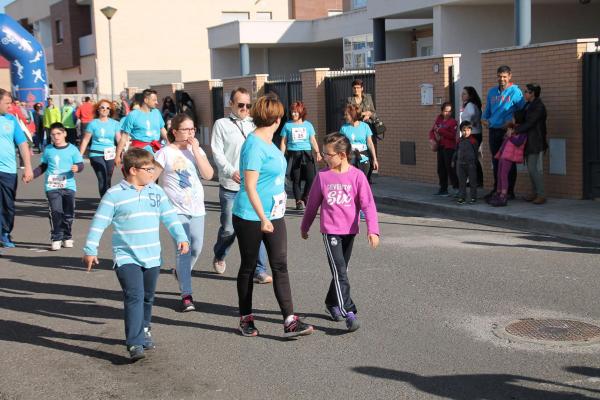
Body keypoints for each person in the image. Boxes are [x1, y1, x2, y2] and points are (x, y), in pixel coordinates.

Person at [83, 147, 190, 362]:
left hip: (152, 256)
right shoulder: (114, 195)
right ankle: (134, 342)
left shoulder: (156, 192)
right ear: (133, 170)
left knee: (148, 297)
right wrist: (90, 249)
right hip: (126, 256)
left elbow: (169, 217)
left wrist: (181, 237)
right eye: (148, 169)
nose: (153, 173)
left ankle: (145, 328)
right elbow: (99, 222)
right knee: (135, 295)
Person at [232, 94, 313, 338]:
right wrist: (262, 218)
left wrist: (272, 215)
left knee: (280, 264)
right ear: (277, 119)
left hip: (273, 214)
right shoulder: (255, 144)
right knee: (248, 266)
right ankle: (246, 318)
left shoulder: (269, 142)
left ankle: (289, 319)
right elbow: (250, 186)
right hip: (250, 215)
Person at [301, 133, 379, 332]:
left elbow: (368, 205)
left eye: (329, 154)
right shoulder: (323, 177)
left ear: (342, 155)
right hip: (331, 231)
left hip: (350, 230)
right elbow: (312, 205)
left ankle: (331, 302)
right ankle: (348, 312)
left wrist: (373, 230)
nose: (325, 158)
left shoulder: (357, 176)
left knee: (340, 270)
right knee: (340, 271)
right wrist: (305, 226)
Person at [210, 87, 272, 283]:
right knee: (229, 229)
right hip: (230, 185)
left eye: (248, 105)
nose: (245, 108)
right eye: (241, 105)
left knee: (258, 226)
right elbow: (217, 152)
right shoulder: (221, 124)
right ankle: (220, 254)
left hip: (253, 186)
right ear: (231, 104)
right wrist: (230, 171)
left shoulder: (255, 124)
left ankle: (259, 270)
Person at [155, 113, 213, 312]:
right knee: (184, 249)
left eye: (193, 129)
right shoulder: (165, 153)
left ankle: (180, 272)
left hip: (197, 209)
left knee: (196, 248)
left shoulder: (196, 150)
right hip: (175, 210)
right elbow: (151, 178)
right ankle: (186, 295)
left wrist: (196, 150)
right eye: (186, 129)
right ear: (174, 132)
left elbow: (208, 175)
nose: (190, 133)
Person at [32, 122, 83, 250]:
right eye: (53, 134)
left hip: (69, 185)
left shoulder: (72, 149)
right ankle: (56, 237)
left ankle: (67, 236)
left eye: (58, 134)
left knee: (68, 213)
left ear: (64, 133)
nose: (56, 137)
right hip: (52, 186)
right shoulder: (48, 149)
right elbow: (43, 166)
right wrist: (32, 175)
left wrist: (77, 167)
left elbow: (80, 164)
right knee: (55, 211)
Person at [482, 65, 525, 200]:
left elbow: (523, 112)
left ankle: (509, 191)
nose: (502, 79)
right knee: (496, 162)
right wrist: (484, 120)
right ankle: (497, 189)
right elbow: (487, 112)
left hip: (507, 133)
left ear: (510, 76)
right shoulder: (492, 92)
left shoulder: (515, 92)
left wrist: (513, 124)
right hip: (493, 131)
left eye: (504, 77)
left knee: (508, 162)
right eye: (500, 76)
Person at [0, 89, 33, 247]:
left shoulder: (11, 120)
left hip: (8, 170)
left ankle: (5, 232)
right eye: (7, 103)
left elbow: (22, 144)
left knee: (8, 204)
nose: (10, 106)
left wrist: (28, 168)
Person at [279, 101, 322, 210]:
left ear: (301, 113)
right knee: (296, 179)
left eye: (296, 112)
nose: (293, 114)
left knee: (311, 178)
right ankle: (298, 201)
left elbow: (312, 139)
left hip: (307, 154)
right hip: (294, 154)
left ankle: (305, 196)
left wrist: (317, 152)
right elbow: (283, 142)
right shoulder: (287, 125)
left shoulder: (308, 125)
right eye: (292, 112)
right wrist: (280, 155)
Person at [79, 99, 122, 197]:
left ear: (110, 110)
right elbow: (85, 140)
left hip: (110, 153)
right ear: (98, 109)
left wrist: (119, 155)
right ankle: (104, 201)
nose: (105, 109)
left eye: (107, 108)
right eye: (102, 107)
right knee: (102, 177)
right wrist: (79, 156)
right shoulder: (93, 123)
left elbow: (119, 140)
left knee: (108, 178)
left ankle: (108, 200)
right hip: (96, 154)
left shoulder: (115, 123)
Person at [115, 89, 168, 164]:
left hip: (155, 150)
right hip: (139, 152)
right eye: (154, 100)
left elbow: (163, 130)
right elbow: (124, 136)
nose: (157, 103)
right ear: (146, 100)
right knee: (143, 173)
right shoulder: (133, 115)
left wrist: (171, 144)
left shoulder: (156, 112)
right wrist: (117, 155)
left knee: (156, 174)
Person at [516, 83, 548, 205]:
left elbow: (530, 123)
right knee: (531, 169)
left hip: (536, 140)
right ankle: (535, 193)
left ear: (533, 93)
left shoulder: (538, 106)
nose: (525, 94)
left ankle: (541, 194)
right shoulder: (529, 105)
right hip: (529, 140)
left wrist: (516, 130)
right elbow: (522, 117)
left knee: (533, 168)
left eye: (526, 92)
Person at [489, 110, 528, 207]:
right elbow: (506, 141)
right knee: (499, 174)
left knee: (504, 175)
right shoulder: (513, 128)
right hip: (503, 155)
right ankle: (498, 192)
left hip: (509, 156)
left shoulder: (522, 131)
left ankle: (503, 195)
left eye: (513, 118)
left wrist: (510, 136)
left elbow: (519, 142)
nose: (512, 119)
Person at [347, 79, 379, 182]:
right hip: (355, 127)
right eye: (354, 88)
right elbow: (350, 113)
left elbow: (374, 112)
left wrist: (369, 114)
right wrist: (362, 114)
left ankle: (367, 177)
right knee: (356, 154)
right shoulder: (350, 100)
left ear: (362, 88)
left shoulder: (368, 98)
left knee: (368, 151)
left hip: (367, 127)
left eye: (358, 87)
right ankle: (357, 177)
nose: (356, 89)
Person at [339, 104, 379, 178]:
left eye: (346, 114)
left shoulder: (365, 126)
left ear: (353, 115)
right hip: (350, 156)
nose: (345, 117)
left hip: (364, 156)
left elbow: (370, 143)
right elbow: (341, 144)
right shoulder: (344, 128)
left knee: (363, 179)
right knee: (351, 179)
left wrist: (375, 159)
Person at [429, 102, 458, 196]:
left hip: (449, 147)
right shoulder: (439, 119)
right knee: (441, 169)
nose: (448, 113)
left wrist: (440, 130)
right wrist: (432, 139)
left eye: (450, 111)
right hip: (441, 146)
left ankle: (457, 187)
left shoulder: (453, 122)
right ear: (442, 111)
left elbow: (452, 136)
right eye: (446, 111)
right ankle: (443, 189)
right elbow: (432, 130)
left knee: (450, 168)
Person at [459, 86, 483, 187]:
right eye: (462, 93)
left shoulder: (470, 105)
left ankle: (477, 180)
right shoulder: (472, 105)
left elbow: (471, 115)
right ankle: (476, 179)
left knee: (472, 158)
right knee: (472, 158)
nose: (462, 95)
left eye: (464, 93)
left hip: (472, 134)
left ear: (470, 96)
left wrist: (471, 123)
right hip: (475, 133)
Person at [453, 121, 479, 204]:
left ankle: (473, 197)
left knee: (472, 182)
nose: (466, 132)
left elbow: (476, 153)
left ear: (471, 130)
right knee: (462, 182)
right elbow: (456, 151)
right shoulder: (459, 140)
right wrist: (453, 161)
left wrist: (475, 163)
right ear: (461, 131)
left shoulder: (473, 141)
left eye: (468, 130)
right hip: (460, 164)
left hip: (471, 164)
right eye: (464, 130)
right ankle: (462, 197)